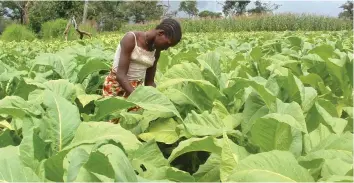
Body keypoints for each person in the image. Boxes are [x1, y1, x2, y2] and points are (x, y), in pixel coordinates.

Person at [102, 18, 182, 123]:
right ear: (160, 33)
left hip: (136, 88)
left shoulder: (156, 51)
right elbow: (121, 76)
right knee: (111, 124)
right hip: (116, 86)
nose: (166, 48)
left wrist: (158, 100)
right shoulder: (131, 38)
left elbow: (149, 82)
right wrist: (140, 99)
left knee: (132, 125)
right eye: (167, 44)